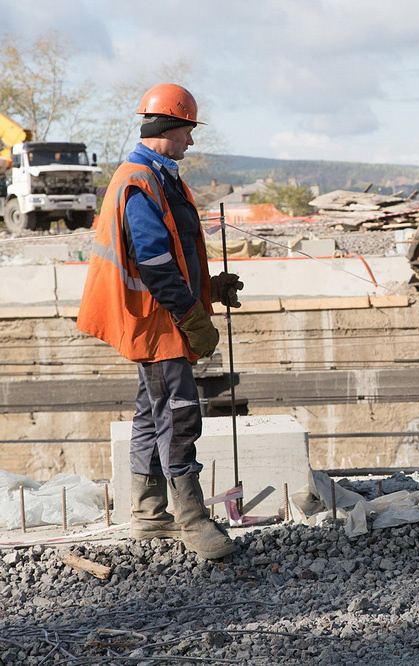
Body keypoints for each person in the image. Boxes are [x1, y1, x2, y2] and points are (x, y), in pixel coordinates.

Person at [77, 83, 243, 559]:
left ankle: (150, 514)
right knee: (178, 413)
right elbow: (152, 263)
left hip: (159, 314)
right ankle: (192, 520)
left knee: (152, 413)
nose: (192, 141)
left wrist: (208, 288)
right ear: (168, 128)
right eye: (189, 131)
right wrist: (193, 316)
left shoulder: (159, 177)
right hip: (157, 320)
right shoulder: (141, 181)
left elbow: (173, 253)